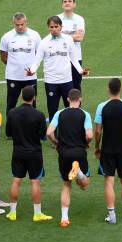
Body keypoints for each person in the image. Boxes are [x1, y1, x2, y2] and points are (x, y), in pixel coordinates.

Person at [94, 78, 122, 224]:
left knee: (109, 181)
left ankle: (112, 216)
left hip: (107, 149)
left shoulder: (102, 107)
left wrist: (97, 146)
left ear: (109, 89)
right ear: (120, 89)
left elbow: (98, 131)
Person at [26, 16, 88, 121]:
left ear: (61, 27)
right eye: (51, 27)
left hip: (66, 80)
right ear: (48, 27)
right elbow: (37, 61)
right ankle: (53, 132)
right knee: (52, 108)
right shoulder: (44, 42)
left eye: (56, 26)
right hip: (51, 81)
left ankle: (70, 128)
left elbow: (73, 58)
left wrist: (80, 71)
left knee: (69, 107)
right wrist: (32, 71)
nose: (54, 29)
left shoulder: (68, 40)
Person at [46, 89, 93, 228]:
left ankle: (64, 218)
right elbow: (90, 135)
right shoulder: (85, 114)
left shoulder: (59, 113)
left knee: (67, 184)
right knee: (84, 185)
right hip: (79, 152)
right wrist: (86, 143)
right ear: (80, 99)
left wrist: (57, 144)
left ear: (67, 99)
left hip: (64, 153)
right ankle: (78, 172)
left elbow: (49, 132)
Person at [5, 86, 51, 222]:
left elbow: (8, 133)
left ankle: (12, 212)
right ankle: (37, 214)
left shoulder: (12, 113)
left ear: (21, 97)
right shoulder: (39, 115)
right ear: (34, 98)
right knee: (35, 181)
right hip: (34, 153)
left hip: (18, 152)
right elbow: (43, 136)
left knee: (16, 180)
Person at [0, 12, 41, 114]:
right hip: (13, 76)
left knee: (32, 102)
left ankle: (32, 123)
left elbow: (39, 55)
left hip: (30, 76)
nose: (20, 27)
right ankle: (10, 125)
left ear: (26, 22)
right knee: (11, 102)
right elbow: (3, 55)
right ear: (13, 23)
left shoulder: (35, 35)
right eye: (17, 25)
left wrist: (33, 69)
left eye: (22, 24)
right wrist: (13, 66)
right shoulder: (7, 37)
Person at [58, 0, 86, 91]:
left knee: (76, 86)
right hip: (60, 57)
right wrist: (73, 35)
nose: (67, 3)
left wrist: (62, 35)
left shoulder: (79, 19)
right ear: (62, 5)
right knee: (61, 86)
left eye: (70, 1)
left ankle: (77, 106)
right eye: (65, 2)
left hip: (76, 56)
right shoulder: (57, 19)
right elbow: (55, 36)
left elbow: (80, 37)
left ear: (74, 4)